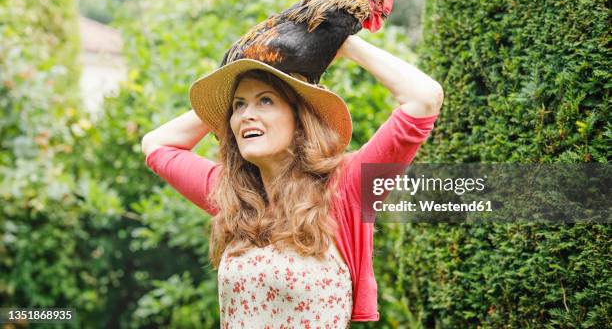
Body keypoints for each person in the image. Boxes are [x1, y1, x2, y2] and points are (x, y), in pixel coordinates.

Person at [141, 35, 443, 327]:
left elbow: (424, 98)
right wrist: (221, 102)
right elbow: (156, 144)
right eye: (239, 105)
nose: (247, 115)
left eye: (266, 101)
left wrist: (343, 43)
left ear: (300, 117)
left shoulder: (346, 187)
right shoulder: (233, 194)